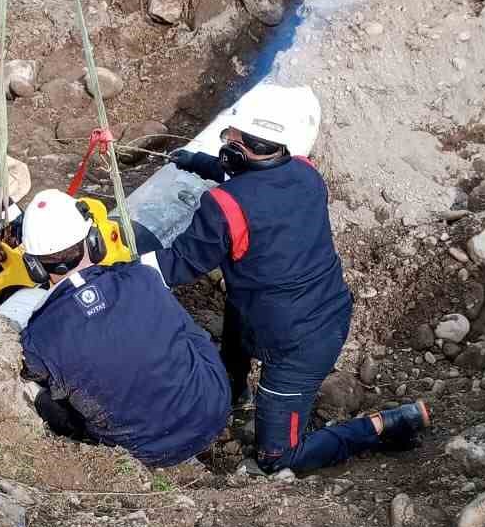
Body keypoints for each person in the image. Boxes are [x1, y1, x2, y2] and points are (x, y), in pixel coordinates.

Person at [147, 82, 431, 475]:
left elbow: (173, 266)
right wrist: (196, 162)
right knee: (237, 310)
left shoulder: (226, 207)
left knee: (278, 458)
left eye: (231, 137)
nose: (225, 142)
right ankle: (233, 389)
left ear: (247, 145)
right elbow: (249, 181)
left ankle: (381, 427)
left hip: (297, 348)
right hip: (316, 314)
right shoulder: (304, 172)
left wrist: (112, 255)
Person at [19, 189, 230, 467]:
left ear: (33, 266)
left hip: (146, 452)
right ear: (95, 242)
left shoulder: (38, 338)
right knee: (186, 332)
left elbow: (35, 370)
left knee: (45, 397)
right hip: (213, 409)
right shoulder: (143, 278)